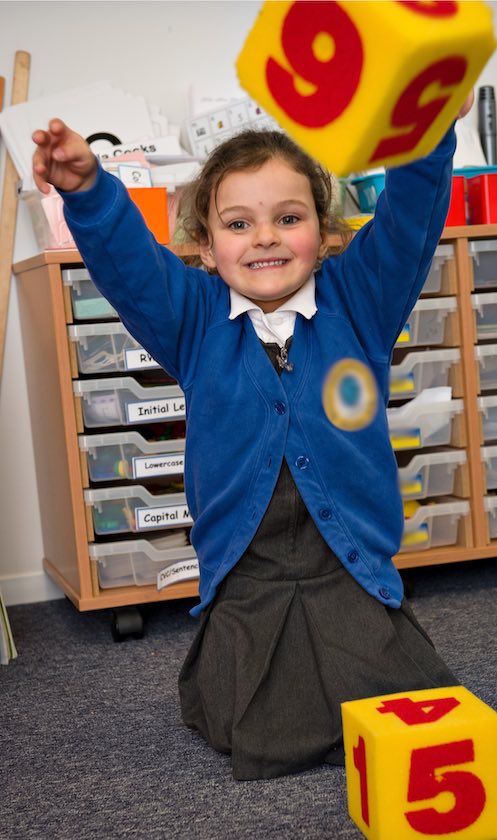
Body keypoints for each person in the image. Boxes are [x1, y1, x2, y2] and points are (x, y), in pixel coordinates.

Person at [32, 94, 473, 780]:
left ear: (326, 234)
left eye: (288, 218)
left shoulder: (361, 301)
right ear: (206, 247)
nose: (264, 236)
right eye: (239, 223)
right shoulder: (193, 318)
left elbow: (411, 216)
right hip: (249, 577)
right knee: (261, 727)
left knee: (404, 704)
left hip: (347, 567)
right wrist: (88, 190)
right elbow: (131, 266)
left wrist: (433, 125)